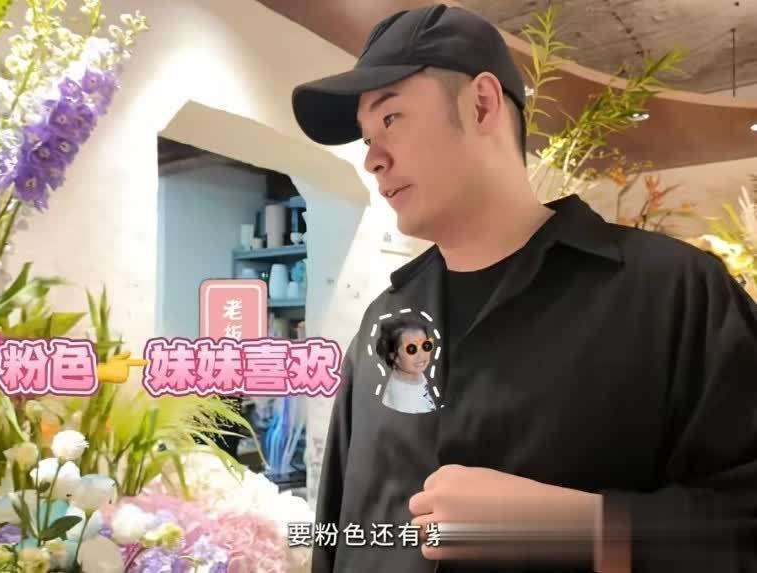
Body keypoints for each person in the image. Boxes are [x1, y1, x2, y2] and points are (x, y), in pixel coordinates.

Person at [291, 4, 757, 572]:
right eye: (366, 137)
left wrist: (579, 529)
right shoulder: (383, 324)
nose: (372, 159)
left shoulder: (673, 295)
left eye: (391, 119)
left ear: (482, 104)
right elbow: (341, 533)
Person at [375, 317, 437, 414]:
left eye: (425, 345)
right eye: (412, 349)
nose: (421, 355)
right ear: (394, 356)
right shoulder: (403, 400)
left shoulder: (414, 375)